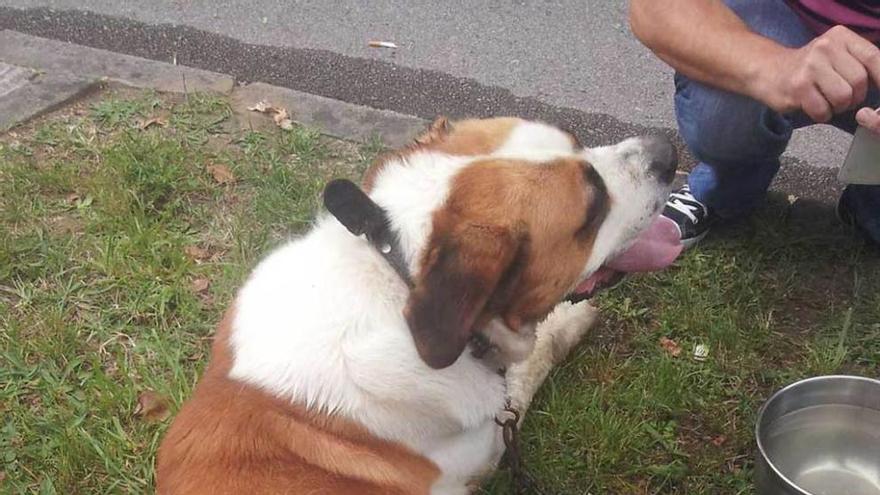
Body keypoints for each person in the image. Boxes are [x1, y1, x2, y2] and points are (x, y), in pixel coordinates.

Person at [629, 0, 880, 248]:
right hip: (784, 14)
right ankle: (723, 190)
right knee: (724, 110)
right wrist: (774, 66)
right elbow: (654, 7)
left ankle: (870, 198)